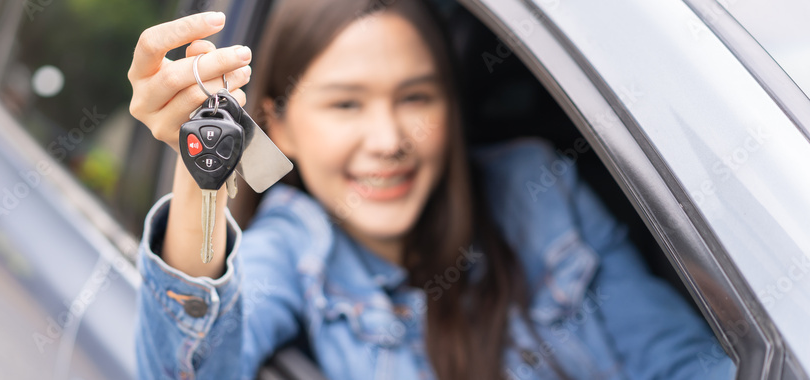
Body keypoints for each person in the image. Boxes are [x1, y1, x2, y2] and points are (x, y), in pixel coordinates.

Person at [126, 0, 736, 378]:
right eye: (346, 104)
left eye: (416, 97)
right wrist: (203, 169)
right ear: (278, 124)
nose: (389, 139)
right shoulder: (297, 244)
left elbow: (682, 361)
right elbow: (193, 370)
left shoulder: (538, 189)